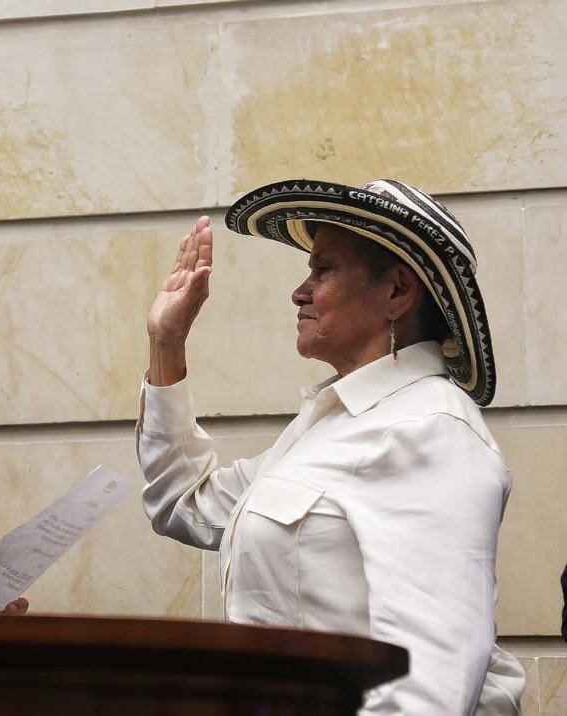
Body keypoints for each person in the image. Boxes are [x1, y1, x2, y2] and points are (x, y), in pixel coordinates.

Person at [138, 179, 524, 713]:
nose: (300, 291)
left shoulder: (429, 430)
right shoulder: (332, 425)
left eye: (323, 270)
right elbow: (183, 504)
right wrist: (166, 342)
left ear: (397, 293)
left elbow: (427, 686)